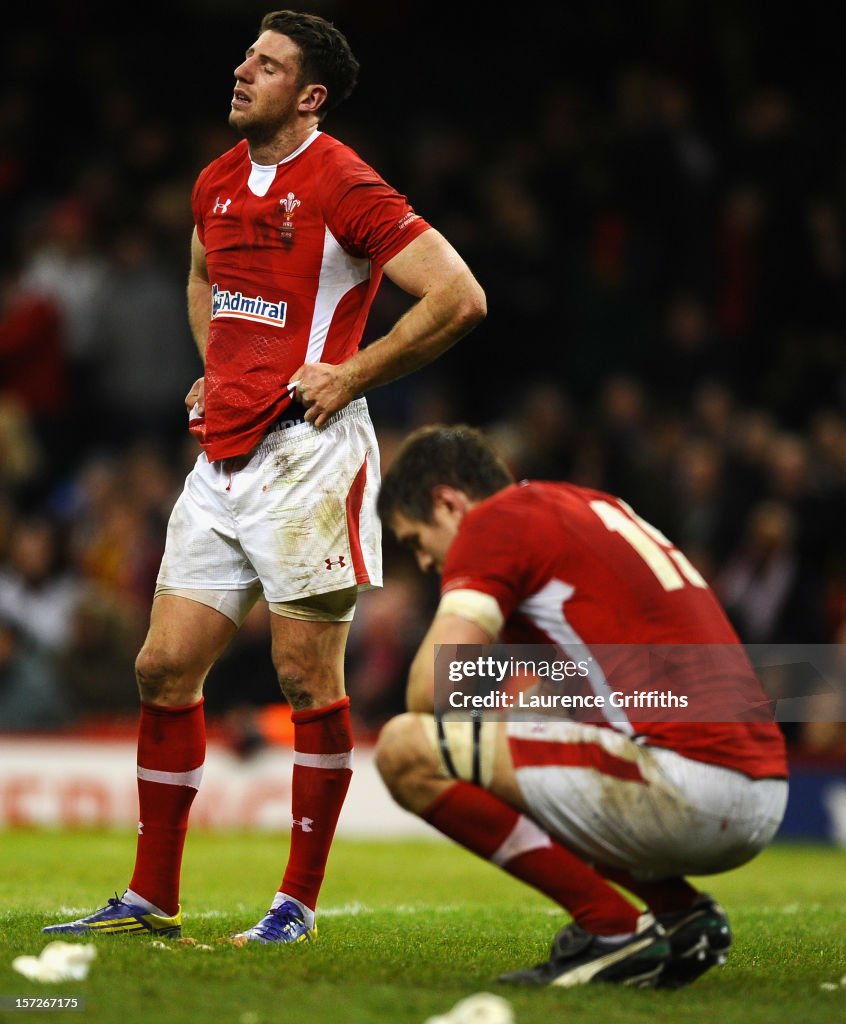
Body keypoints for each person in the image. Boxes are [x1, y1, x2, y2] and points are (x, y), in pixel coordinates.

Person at [44, 11, 485, 945]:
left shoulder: (343, 180)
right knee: (162, 668)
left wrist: (353, 371)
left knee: (302, 675)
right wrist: (212, 364)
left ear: (309, 95)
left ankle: (296, 905)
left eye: (269, 64)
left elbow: (458, 294)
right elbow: (204, 277)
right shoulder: (213, 180)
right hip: (223, 454)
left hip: (310, 453)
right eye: (248, 55)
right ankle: (152, 897)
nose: (243, 71)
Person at [374, 424, 788, 988]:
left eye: (416, 540)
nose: (424, 562)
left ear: (449, 503)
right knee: (513, 730)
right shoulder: (586, 505)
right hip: (759, 782)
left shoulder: (495, 521)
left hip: (688, 779)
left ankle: (613, 927)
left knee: (405, 749)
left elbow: (430, 692)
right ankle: (677, 913)